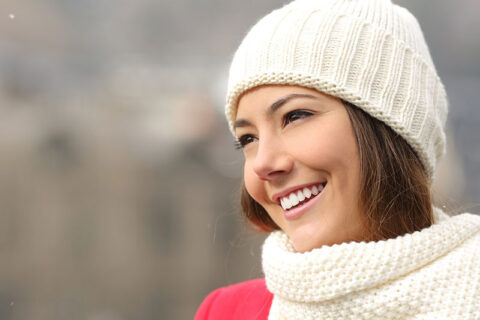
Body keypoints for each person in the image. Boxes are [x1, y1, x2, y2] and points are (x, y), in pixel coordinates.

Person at [195, 0, 480, 319]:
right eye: (248, 138)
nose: (262, 164)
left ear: (389, 128)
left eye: (295, 116)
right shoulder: (225, 312)